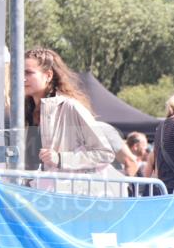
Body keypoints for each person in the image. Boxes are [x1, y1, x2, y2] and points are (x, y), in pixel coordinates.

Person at [23, 47, 117, 193]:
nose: (22, 78)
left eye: (28, 73)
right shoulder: (22, 113)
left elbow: (105, 154)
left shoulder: (70, 107)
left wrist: (61, 159)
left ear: (48, 75)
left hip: (66, 199)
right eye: (19, 73)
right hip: (32, 197)